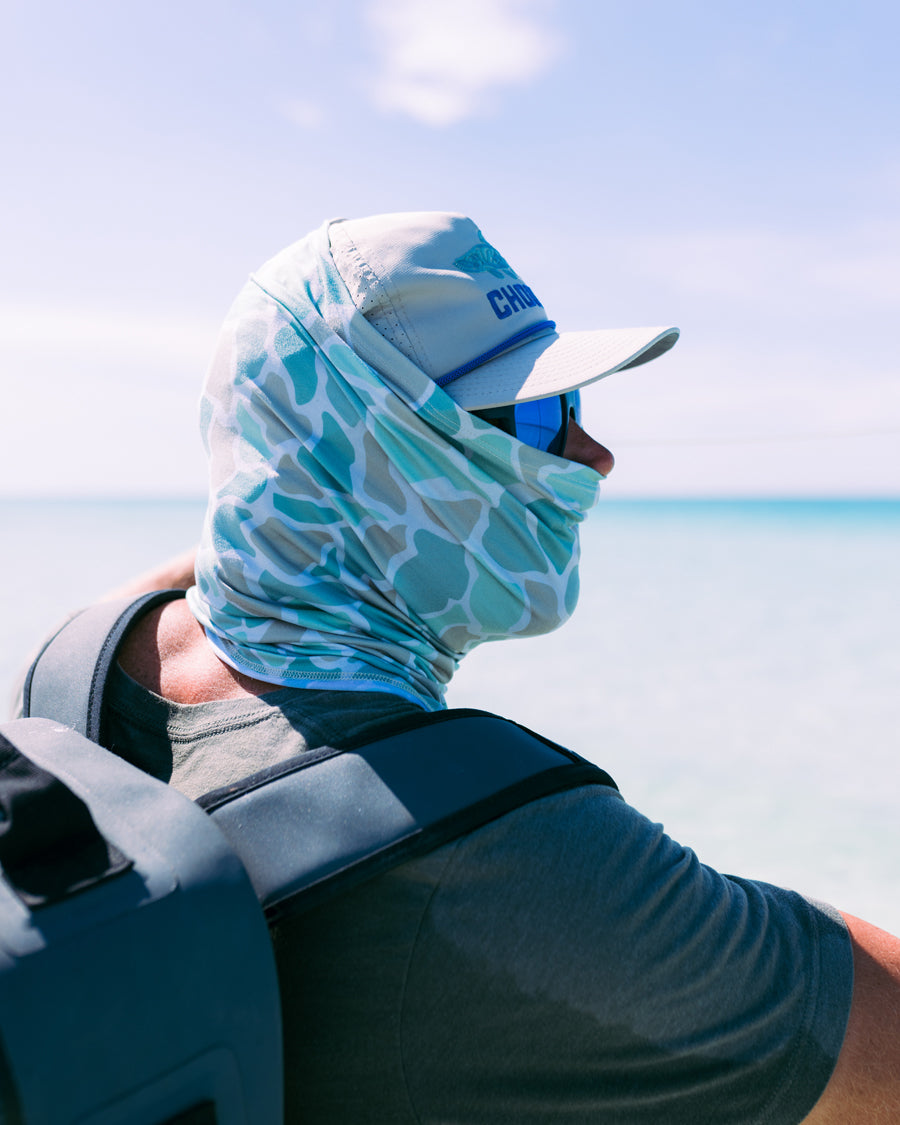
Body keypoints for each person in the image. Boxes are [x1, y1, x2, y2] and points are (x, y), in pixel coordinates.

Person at [42, 213, 900, 1121]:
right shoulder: (511, 858)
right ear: (378, 453)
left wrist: (298, 513)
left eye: (574, 405)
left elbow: (246, 544)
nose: (595, 456)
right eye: (537, 415)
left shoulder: (72, 672)